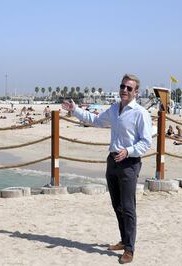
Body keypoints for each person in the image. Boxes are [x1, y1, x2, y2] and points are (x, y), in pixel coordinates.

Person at [62, 74, 152, 264]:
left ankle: (129, 249)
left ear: (136, 92)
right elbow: (95, 120)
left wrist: (128, 151)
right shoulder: (114, 109)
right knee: (117, 205)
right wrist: (75, 110)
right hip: (112, 162)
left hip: (129, 164)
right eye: (122, 87)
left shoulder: (140, 113)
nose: (124, 90)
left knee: (128, 208)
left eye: (129, 88)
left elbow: (146, 143)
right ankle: (124, 240)